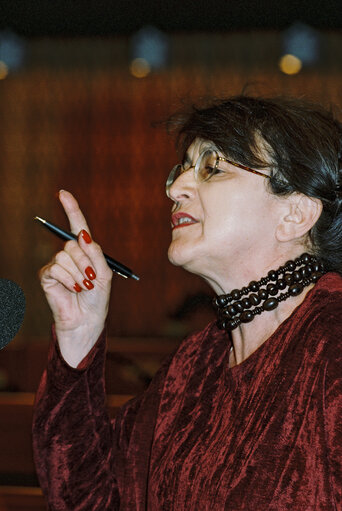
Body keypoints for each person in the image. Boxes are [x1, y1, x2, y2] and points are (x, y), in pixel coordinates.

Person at [32, 95, 342, 510]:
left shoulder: (332, 346)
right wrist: (79, 335)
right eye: (182, 169)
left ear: (297, 213)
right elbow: (90, 500)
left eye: (212, 168)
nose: (176, 188)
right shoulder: (192, 364)